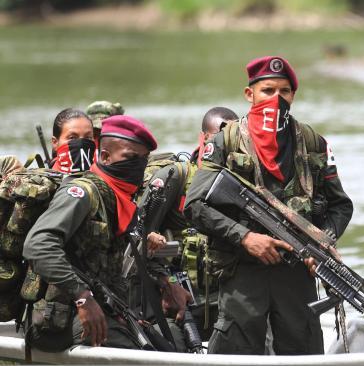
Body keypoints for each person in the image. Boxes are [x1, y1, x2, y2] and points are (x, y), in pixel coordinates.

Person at [184, 56, 354, 355]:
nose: (276, 99)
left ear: (293, 96)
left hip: (297, 271)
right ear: (250, 95)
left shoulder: (312, 142)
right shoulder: (226, 141)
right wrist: (245, 237)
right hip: (241, 269)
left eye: (284, 92)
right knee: (235, 352)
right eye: (267, 90)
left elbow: (340, 206)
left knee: (303, 351)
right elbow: (196, 205)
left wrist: (323, 242)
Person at [22, 115, 190, 352]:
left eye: (143, 160)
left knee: (170, 345)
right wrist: (82, 296)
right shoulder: (82, 193)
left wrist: (169, 282)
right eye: (130, 158)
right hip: (60, 318)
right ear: (105, 157)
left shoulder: (118, 199)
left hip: (108, 310)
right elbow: (38, 245)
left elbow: (138, 257)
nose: (138, 166)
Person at [139, 106, 239, 340]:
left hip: (226, 300)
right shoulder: (175, 176)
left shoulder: (241, 178)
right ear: (203, 138)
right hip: (179, 300)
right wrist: (168, 282)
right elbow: (138, 240)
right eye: (218, 139)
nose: (225, 147)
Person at [49, 108, 96, 173]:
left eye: (88, 138)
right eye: (72, 138)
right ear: (55, 142)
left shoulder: (103, 180)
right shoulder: (39, 181)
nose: (81, 143)